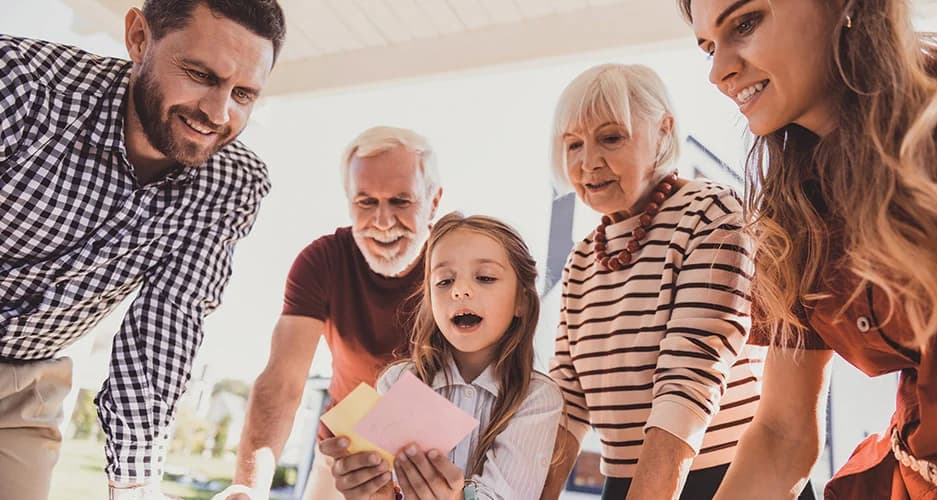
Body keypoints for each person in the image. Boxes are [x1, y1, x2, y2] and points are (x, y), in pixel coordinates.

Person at [0, 0, 285, 498]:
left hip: (28, 384)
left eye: (243, 94)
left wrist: (132, 483)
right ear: (138, 38)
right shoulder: (20, 86)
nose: (218, 114)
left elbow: (165, 326)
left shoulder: (232, 183)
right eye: (199, 74)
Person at [682, 0, 937, 498]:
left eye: (746, 22)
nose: (717, 72)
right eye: (709, 47)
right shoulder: (793, 210)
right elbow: (782, 433)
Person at [540, 63, 778, 500]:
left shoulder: (710, 213)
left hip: (729, 479)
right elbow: (569, 399)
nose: (588, 162)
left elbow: (687, 383)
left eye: (611, 137)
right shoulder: (581, 262)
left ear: (664, 132)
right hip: (629, 480)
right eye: (573, 144)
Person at [233, 126, 443, 500]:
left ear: (434, 202)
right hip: (346, 455)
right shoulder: (323, 260)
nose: (382, 221)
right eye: (366, 202)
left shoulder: (457, 259)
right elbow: (282, 383)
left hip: (432, 460)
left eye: (400, 201)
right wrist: (247, 489)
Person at [320, 212, 563, 500]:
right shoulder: (398, 381)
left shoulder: (537, 397)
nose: (460, 290)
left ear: (522, 301)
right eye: (444, 281)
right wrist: (372, 492)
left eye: (485, 277)